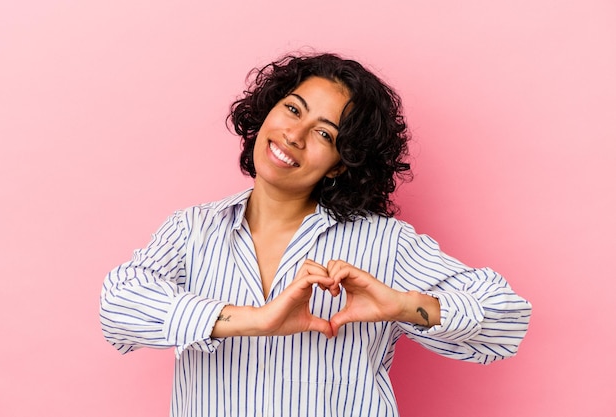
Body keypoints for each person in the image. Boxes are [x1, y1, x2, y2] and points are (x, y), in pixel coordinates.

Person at [100, 52, 532, 417]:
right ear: (267, 109)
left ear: (342, 162)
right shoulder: (192, 229)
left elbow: (506, 321)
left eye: (324, 133)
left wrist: (403, 305)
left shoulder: (386, 243)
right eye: (292, 109)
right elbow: (118, 306)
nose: (294, 135)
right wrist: (252, 320)